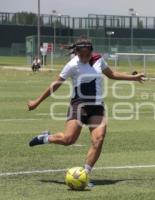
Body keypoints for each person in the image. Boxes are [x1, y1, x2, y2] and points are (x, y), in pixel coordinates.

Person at [27, 37, 145, 185]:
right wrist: (36, 102)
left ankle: (85, 174)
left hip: (97, 106)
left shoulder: (98, 60)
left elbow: (112, 74)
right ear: (76, 52)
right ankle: (45, 138)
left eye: (87, 54)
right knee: (68, 140)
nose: (84, 57)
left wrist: (133, 78)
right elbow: (55, 85)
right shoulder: (72, 65)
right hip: (79, 105)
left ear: (91, 51)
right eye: (81, 54)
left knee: (98, 139)